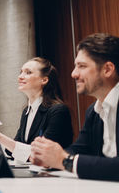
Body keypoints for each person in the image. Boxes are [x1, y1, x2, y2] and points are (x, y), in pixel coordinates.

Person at [31, 33, 119, 181]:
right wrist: (48, 156)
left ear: (108, 69)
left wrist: (65, 161)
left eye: (82, 66)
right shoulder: (93, 111)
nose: (73, 74)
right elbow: (80, 149)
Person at [0, 57, 73, 162]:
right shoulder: (27, 111)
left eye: (28, 72)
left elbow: (41, 154)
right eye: (21, 72)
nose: (20, 77)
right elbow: (14, 150)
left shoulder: (58, 111)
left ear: (44, 80)